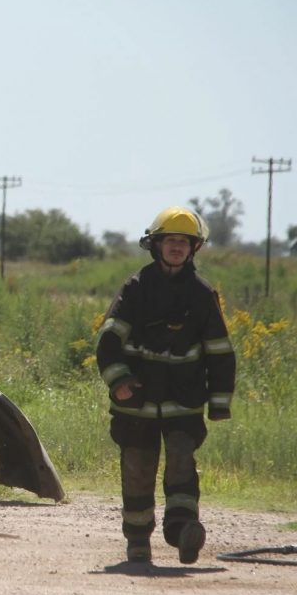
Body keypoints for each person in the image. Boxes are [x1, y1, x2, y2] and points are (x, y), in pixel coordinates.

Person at [95, 206, 236, 565]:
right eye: (170, 241)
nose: (176, 247)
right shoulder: (136, 289)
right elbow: (108, 342)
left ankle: (182, 529)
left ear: (194, 249)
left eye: (183, 242)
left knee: (181, 463)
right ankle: (138, 542)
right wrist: (119, 382)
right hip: (137, 401)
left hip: (183, 402)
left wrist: (219, 403)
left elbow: (220, 351)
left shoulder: (202, 295)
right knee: (137, 467)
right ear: (155, 245)